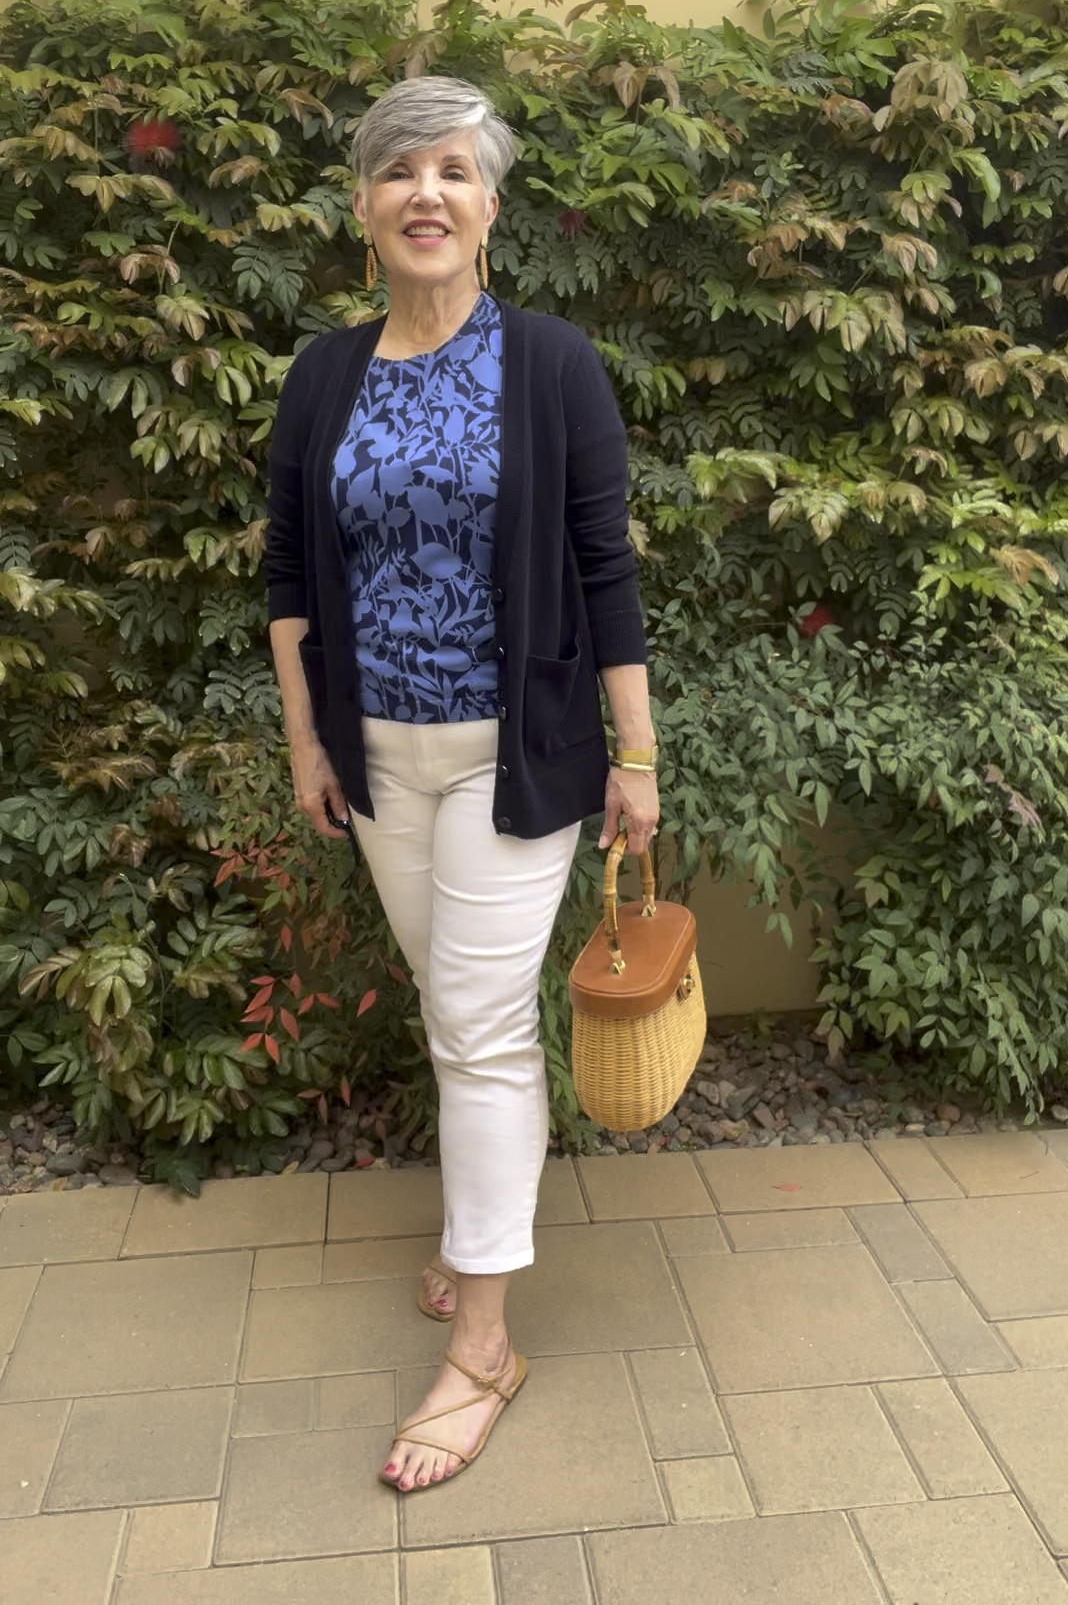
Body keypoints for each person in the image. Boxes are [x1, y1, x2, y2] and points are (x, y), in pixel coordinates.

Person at [265, 75, 659, 1494]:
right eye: (395, 173)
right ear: (363, 208)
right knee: (457, 1016)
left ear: (490, 204)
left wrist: (637, 755)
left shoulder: (551, 364)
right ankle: (470, 1235)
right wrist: (310, 743)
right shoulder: (324, 374)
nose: (424, 193)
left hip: (519, 755)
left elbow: (605, 570)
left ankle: (485, 1342)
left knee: (483, 1029)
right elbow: (292, 578)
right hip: (379, 762)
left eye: (451, 169)